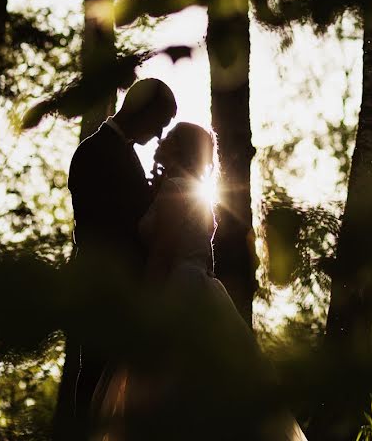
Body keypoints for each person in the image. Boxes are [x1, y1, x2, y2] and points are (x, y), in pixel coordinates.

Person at [92, 122, 307, 441]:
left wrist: (146, 306)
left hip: (174, 287)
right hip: (203, 286)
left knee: (164, 387)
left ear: (179, 148)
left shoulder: (174, 190)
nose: (161, 141)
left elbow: (163, 251)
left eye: (171, 137)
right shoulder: (194, 193)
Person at [62, 78, 177, 441]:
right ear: (140, 110)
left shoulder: (122, 153)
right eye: (159, 121)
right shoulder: (93, 152)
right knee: (94, 374)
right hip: (101, 287)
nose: (159, 134)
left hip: (123, 287)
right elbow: (103, 223)